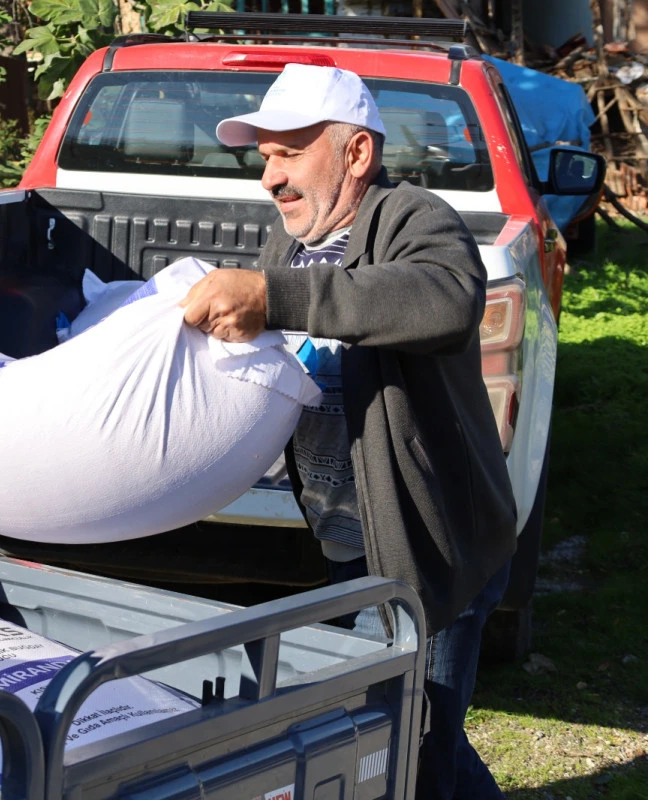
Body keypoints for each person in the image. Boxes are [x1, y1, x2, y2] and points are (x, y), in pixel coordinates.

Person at [180, 64, 517, 799]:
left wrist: (275, 296)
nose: (269, 177)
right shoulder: (290, 246)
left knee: (410, 747)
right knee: (404, 738)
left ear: (356, 153)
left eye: (288, 154)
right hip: (348, 543)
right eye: (263, 157)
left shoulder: (413, 219)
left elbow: (442, 299)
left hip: (430, 547)